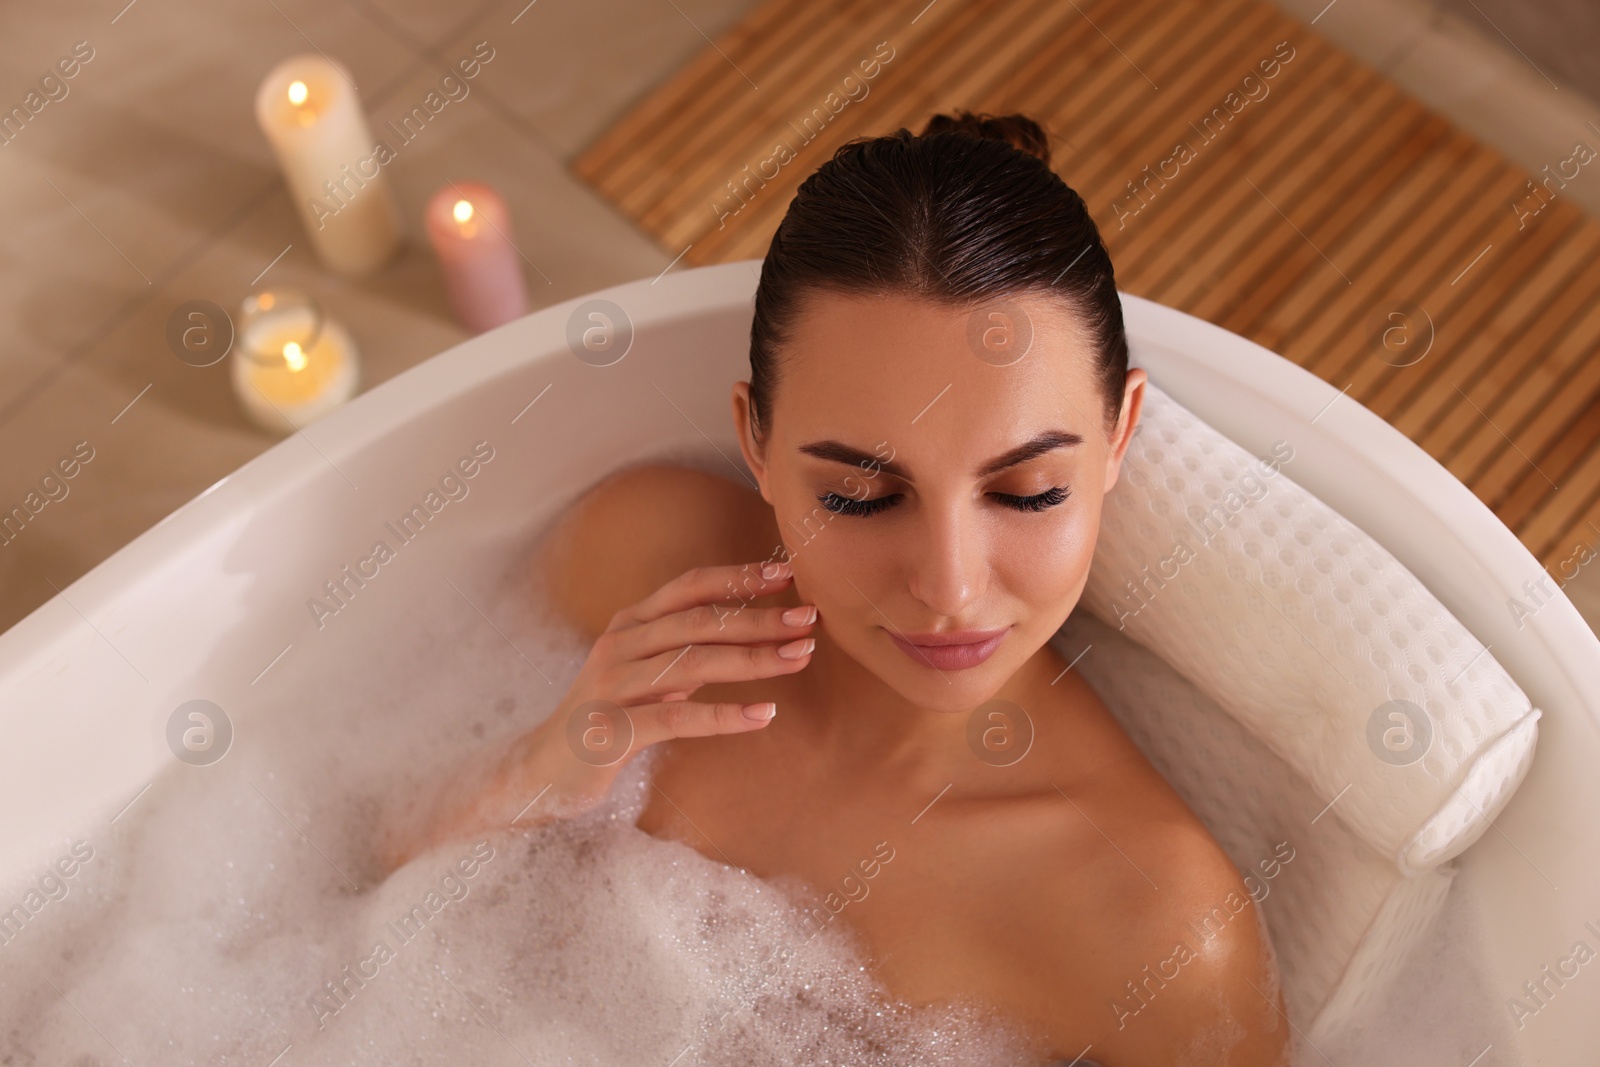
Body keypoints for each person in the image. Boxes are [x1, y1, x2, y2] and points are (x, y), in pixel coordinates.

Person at [393, 111, 1290, 1065]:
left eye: (1028, 491)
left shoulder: (1156, 933)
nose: (948, 584)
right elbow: (356, 888)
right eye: (861, 496)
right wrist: (539, 770)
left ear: (1118, 437)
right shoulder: (642, 557)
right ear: (758, 445)